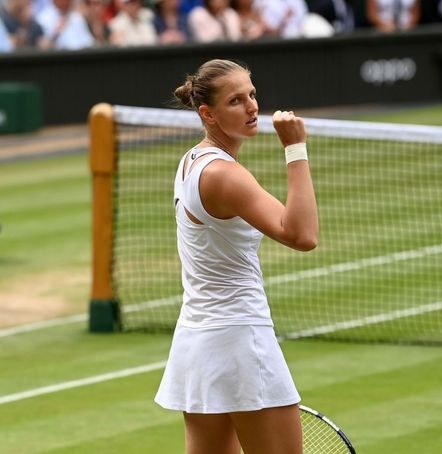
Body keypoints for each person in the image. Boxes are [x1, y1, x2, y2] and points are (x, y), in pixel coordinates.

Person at [154, 59, 319, 454]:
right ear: (207, 114)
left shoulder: (192, 161)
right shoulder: (224, 175)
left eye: (252, 95)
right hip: (240, 342)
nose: (251, 107)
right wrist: (296, 148)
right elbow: (302, 235)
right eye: (236, 101)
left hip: (198, 344)